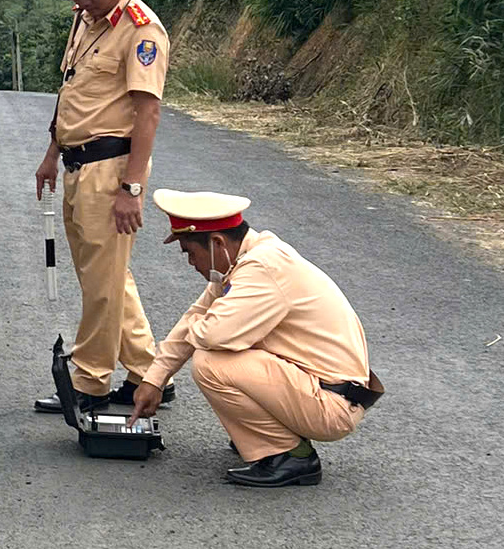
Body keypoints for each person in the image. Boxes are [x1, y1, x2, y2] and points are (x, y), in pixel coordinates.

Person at [129, 189, 385, 488]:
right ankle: (264, 436)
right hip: (327, 389)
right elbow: (198, 317)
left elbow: (212, 334)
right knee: (219, 342)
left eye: (189, 251)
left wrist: (205, 321)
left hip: (332, 404)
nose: (190, 261)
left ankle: (290, 456)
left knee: (211, 363)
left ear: (217, 243)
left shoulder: (261, 268)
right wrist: (154, 380)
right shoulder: (248, 258)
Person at [33, 0, 174, 416]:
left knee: (100, 283)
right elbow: (71, 89)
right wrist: (51, 153)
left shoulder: (142, 32)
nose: (80, 0)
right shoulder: (85, 20)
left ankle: (89, 382)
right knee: (108, 276)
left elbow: (147, 115)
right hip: (76, 163)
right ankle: (147, 373)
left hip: (111, 169)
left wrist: (131, 190)